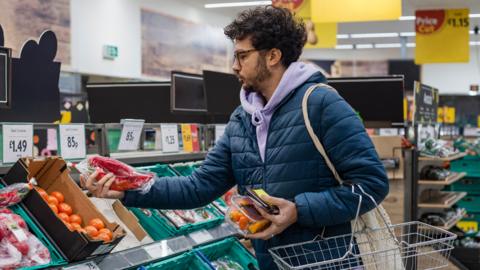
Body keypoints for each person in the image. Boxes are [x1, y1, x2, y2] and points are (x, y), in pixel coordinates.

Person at [81, 6, 389, 270]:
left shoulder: (321, 104)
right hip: (273, 261)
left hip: (327, 262)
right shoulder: (242, 120)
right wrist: (127, 189)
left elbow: (372, 183)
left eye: (242, 56)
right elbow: (197, 187)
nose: (234, 66)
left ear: (273, 56)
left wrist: (299, 210)